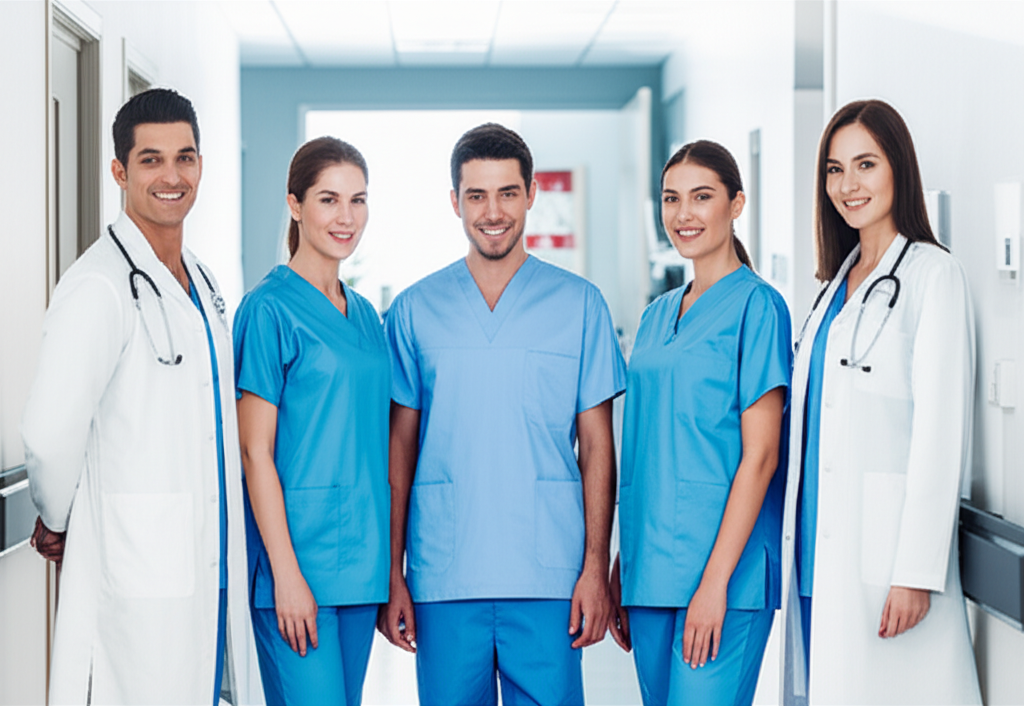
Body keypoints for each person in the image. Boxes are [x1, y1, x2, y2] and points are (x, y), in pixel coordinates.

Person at [21, 88, 261, 705]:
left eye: (185, 157)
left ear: (202, 165)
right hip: (137, 569)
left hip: (207, 566)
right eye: (151, 160)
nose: (172, 176)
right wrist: (58, 517)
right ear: (120, 171)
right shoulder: (97, 287)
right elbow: (50, 434)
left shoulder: (203, 282)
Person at [378, 123, 626, 705]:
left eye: (508, 193)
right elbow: (399, 452)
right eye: (477, 195)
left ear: (532, 193)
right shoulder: (415, 310)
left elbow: (597, 447)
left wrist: (594, 566)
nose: (493, 212)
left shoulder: (580, 304)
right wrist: (394, 573)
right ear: (454, 201)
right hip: (445, 572)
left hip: (549, 573)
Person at [779, 99, 982, 705]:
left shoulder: (932, 277)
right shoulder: (831, 285)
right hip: (815, 548)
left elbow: (940, 434)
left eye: (865, 164)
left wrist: (916, 572)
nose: (848, 185)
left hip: (883, 560)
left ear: (898, 167)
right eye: (835, 170)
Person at [610, 140, 792, 706]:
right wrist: (624, 559)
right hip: (650, 571)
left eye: (701, 197)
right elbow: (646, 445)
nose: (683, 214)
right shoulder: (656, 314)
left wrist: (714, 584)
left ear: (736, 204)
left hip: (723, 579)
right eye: (671, 199)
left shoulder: (758, 307)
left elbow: (761, 456)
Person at [233, 136, 389, 706]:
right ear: (295, 205)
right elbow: (255, 453)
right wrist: (286, 577)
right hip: (298, 568)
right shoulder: (268, 309)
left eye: (358, 200)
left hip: (361, 566)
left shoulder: (368, 316)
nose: (346, 217)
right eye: (329, 200)